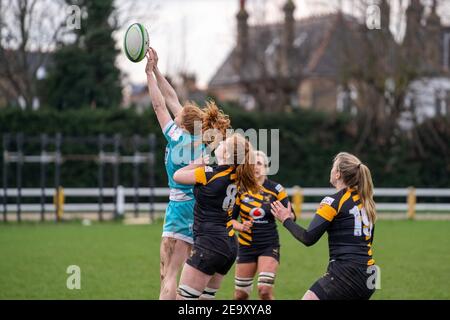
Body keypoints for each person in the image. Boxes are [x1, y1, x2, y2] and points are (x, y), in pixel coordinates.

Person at [145, 48, 230, 299]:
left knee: (168, 274)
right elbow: (171, 98)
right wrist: (158, 70)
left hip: (178, 208)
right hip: (199, 211)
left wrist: (149, 73)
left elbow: (159, 103)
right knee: (187, 277)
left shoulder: (175, 136)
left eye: (178, 114)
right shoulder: (204, 138)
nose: (176, 111)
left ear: (182, 121)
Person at [271, 152, 378, 300]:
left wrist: (286, 219)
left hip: (347, 273)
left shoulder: (333, 201)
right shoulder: (366, 202)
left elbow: (308, 238)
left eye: (333, 167)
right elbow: (367, 243)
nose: (331, 170)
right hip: (371, 275)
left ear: (338, 174)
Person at [173, 134, 258, 300]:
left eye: (223, 144)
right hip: (229, 245)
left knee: (183, 300)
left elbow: (178, 176)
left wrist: (197, 163)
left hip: (210, 244)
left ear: (226, 154)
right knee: (206, 298)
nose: (218, 144)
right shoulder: (238, 176)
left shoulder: (208, 173)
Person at [231, 150, 295, 300]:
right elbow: (230, 219)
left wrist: (284, 215)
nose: (255, 167)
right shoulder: (240, 190)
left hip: (268, 245)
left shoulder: (276, 190)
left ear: (266, 167)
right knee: (240, 295)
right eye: (251, 163)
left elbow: (291, 216)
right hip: (246, 246)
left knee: (264, 290)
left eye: (259, 163)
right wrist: (240, 226)